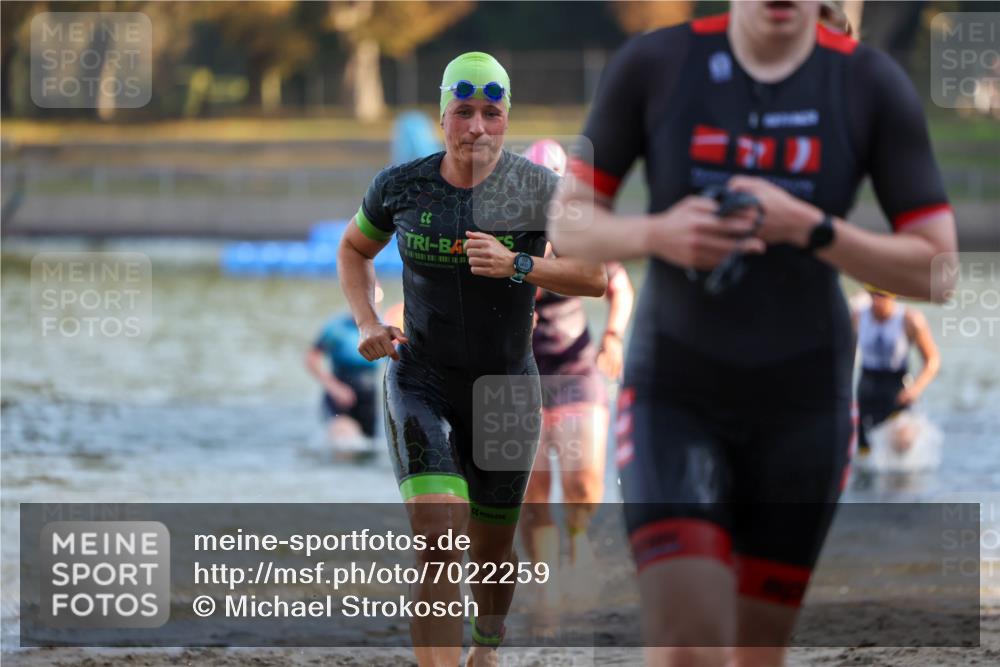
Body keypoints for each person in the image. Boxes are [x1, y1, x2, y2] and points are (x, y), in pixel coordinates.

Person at [547, 2, 957, 666]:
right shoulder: (656, 63)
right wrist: (657, 233)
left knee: (755, 649)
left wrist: (812, 228)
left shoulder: (869, 84)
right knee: (686, 643)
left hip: (805, 402)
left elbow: (939, 271)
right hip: (674, 389)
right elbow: (568, 223)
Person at [337, 52, 606, 667]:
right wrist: (368, 322)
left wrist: (518, 263)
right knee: (438, 539)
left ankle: (486, 647)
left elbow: (593, 275)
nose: (477, 127)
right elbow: (354, 249)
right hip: (421, 378)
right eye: (463, 112)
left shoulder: (540, 190)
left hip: (506, 387)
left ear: (507, 117)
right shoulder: (401, 186)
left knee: (491, 552)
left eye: (491, 112)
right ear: (442, 117)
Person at [517, 139, 636, 607]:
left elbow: (619, 288)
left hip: (576, 366)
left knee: (583, 485)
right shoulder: (502, 228)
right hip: (519, 374)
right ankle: (545, 589)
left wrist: (614, 337)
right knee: (532, 494)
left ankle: (579, 541)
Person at [853, 286, 940, 454]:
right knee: (864, 447)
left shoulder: (910, 319)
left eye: (883, 296)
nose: (877, 301)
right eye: (873, 295)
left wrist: (916, 389)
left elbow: (933, 360)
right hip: (868, 384)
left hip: (896, 386)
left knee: (902, 445)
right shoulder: (858, 315)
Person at [305, 287, 384, 458]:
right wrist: (334, 388)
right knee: (345, 442)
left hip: (368, 396)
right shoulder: (336, 328)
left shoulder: (384, 329)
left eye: (375, 302)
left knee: (368, 448)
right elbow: (311, 359)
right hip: (340, 392)